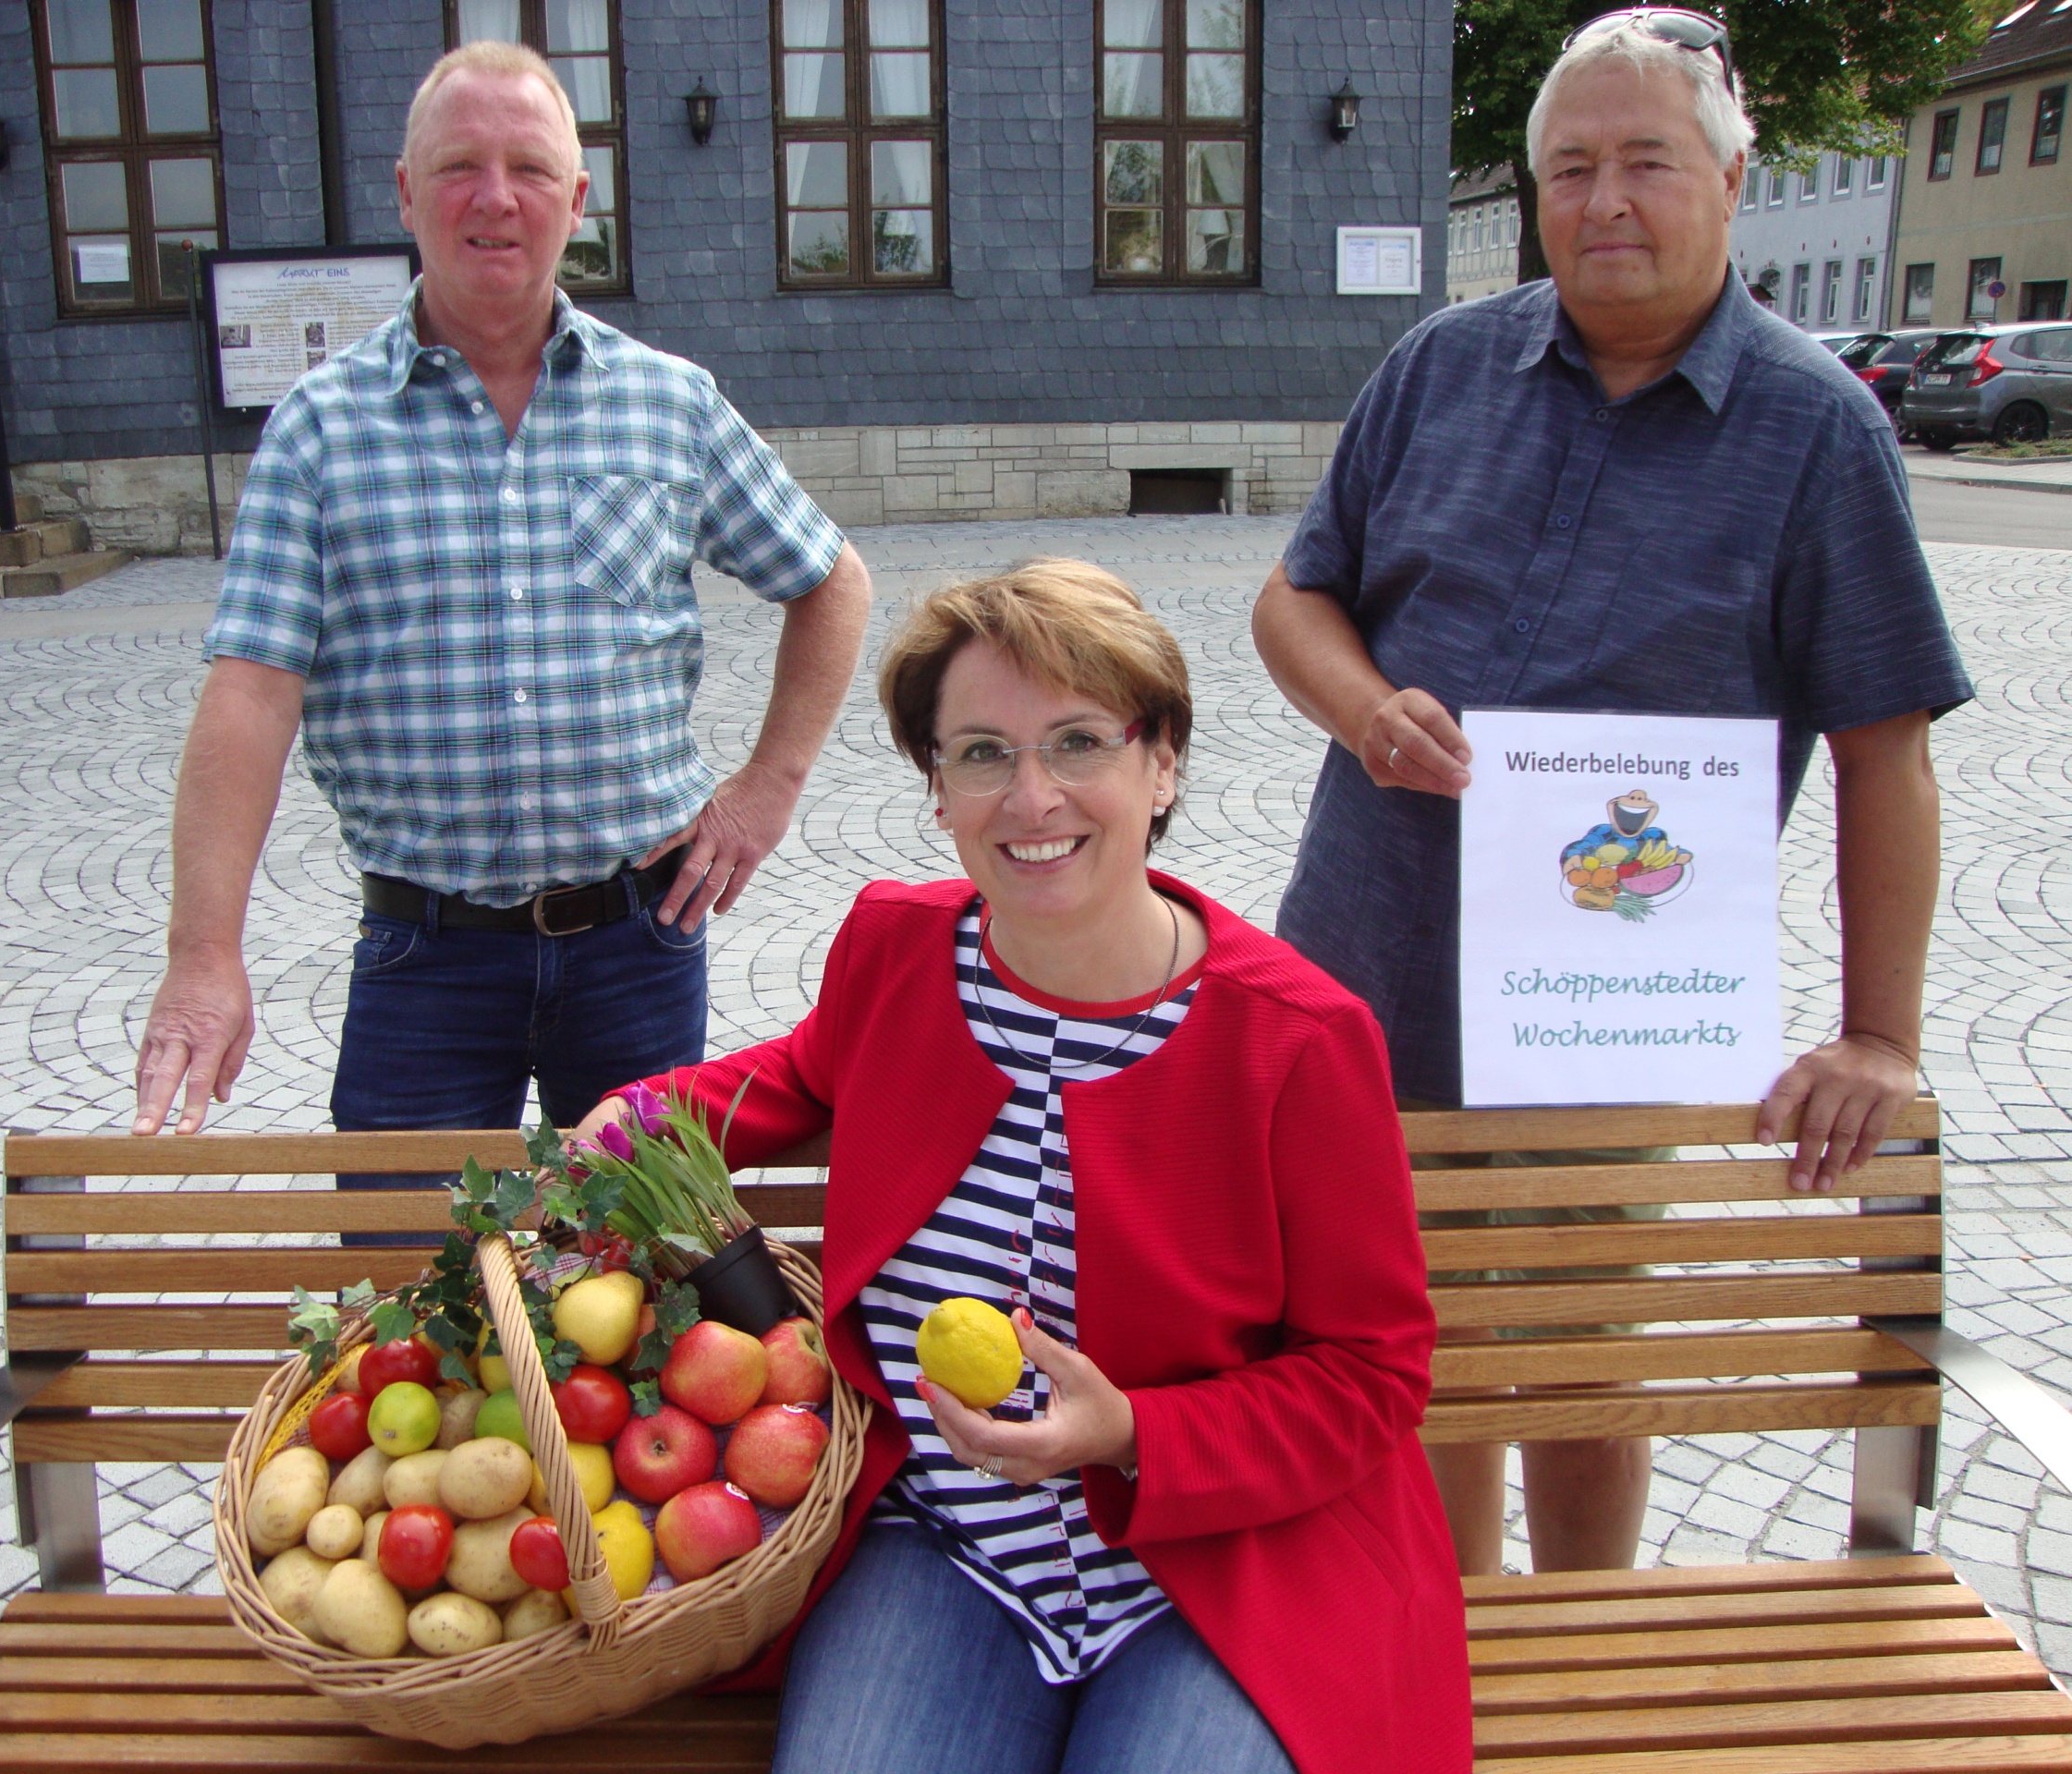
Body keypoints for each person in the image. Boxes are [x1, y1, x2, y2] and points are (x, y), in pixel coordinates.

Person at [1251, 7, 1971, 1578]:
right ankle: (1460, 1642)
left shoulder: (1818, 433)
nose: (1606, 202)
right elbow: (1292, 603)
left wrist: (1881, 1033)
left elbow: (1884, 749)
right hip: (1370, 967)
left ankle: (1587, 1626)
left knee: (1578, 1354)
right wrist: (1367, 709)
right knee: (1413, 1348)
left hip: (1605, 997)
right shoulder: (1439, 368)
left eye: (1648, 161)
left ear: (1730, 175)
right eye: (1571, 167)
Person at [582, 563, 1469, 1774]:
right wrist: (623, 1123)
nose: (1031, 795)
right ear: (937, 788)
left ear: (1162, 765)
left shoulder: (1299, 1042)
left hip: (1222, 1564)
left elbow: (1371, 1379)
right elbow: (795, 1075)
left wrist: (1133, 1435)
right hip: (945, 1546)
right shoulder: (897, 950)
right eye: (983, 752)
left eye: (1079, 741)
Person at [128, 41, 872, 1185]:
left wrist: (767, 786)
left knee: (645, 1283)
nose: (494, 198)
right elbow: (250, 692)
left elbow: (829, 581)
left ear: (576, 201)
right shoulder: (321, 433)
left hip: (638, 940)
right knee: (399, 1292)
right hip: (424, 955)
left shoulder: (666, 404)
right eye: (459, 166)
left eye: (528, 168)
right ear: (405, 195)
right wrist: (202, 954)